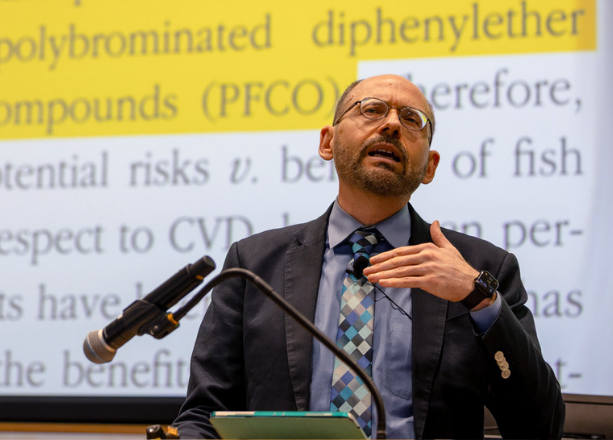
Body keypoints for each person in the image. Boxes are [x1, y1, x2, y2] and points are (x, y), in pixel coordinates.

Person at [173, 74, 565, 439]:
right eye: (372, 110)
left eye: (413, 119)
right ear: (327, 142)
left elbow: (541, 426)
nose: (392, 125)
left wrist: (480, 298)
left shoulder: (482, 270)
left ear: (429, 167)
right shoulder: (254, 263)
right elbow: (204, 415)